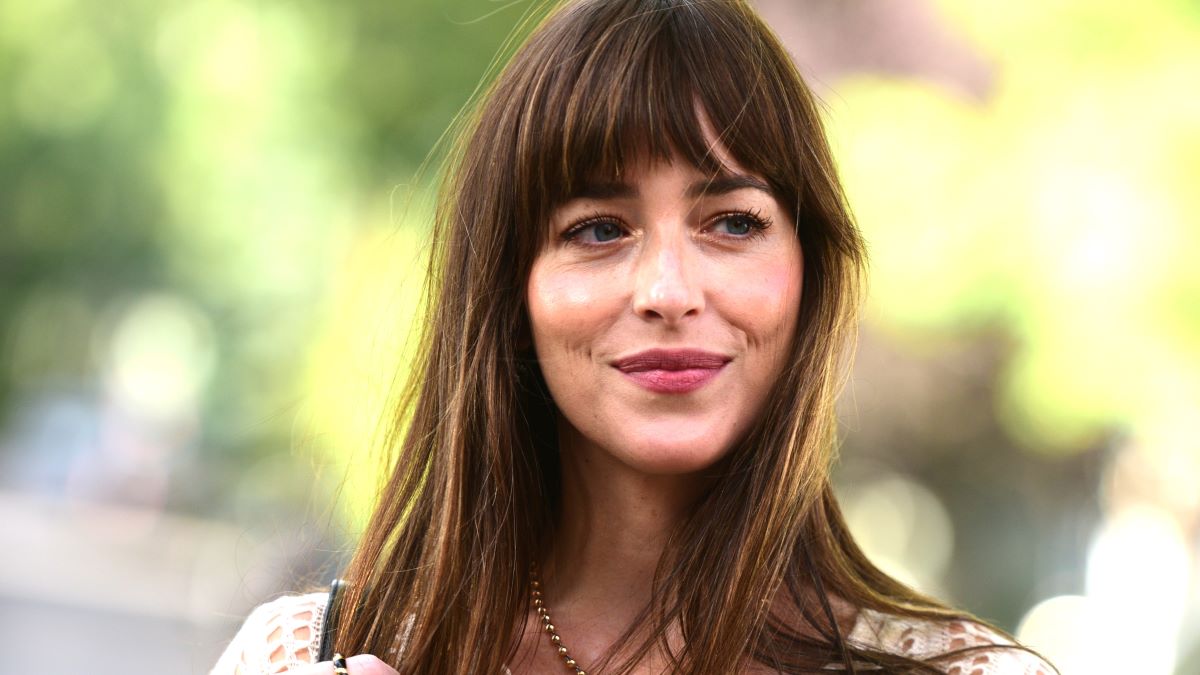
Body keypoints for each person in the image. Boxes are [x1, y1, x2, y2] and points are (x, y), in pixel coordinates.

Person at [214, 1, 1057, 673]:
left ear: (811, 273)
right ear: (512, 287)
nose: (667, 291)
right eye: (597, 229)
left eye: (732, 221)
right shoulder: (303, 655)